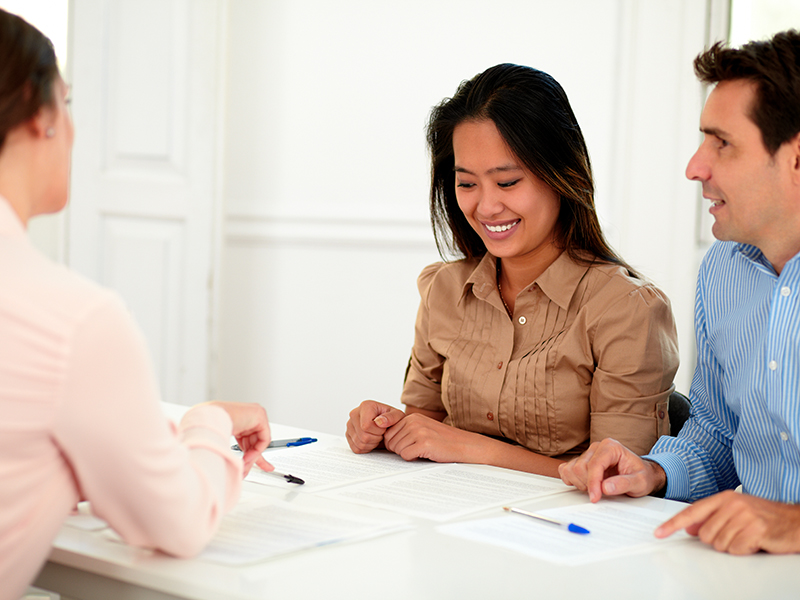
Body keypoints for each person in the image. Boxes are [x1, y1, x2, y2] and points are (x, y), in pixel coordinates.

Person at [0, 10, 274, 598]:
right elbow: (176, 522)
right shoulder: (73, 321)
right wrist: (208, 425)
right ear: (37, 115)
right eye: (66, 104)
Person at [345, 64, 679, 477]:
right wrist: (384, 428)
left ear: (561, 174)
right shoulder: (443, 290)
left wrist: (472, 448)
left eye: (507, 183)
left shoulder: (626, 309)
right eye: (467, 184)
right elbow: (425, 429)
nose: (486, 207)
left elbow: (615, 478)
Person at [559, 29, 800, 556]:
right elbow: (716, 434)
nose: (695, 167)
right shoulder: (722, 272)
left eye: (723, 143)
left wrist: (794, 525)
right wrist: (651, 471)